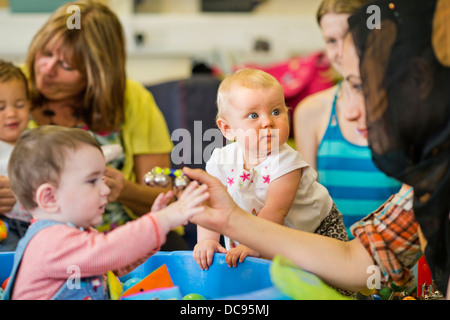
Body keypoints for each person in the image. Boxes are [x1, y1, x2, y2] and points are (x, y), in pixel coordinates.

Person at [186, 0, 450, 298]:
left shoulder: (286, 161)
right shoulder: (424, 184)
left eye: (363, 87)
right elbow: (363, 262)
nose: (349, 112)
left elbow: (282, 212)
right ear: (226, 128)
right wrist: (221, 224)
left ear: (423, 84)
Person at [21, 1, 176, 236]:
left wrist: (122, 189)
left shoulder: (133, 99)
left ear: (97, 74)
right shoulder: (10, 87)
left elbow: (164, 198)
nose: (47, 69)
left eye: (65, 65)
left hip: (121, 237)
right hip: (29, 237)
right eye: (46, 53)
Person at [2, 126, 209, 300]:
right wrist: (161, 220)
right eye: (92, 181)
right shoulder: (51, 242)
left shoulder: (79, 236)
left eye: (103, 178)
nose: (106, 190)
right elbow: (108, 251)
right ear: (49, 198)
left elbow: (112, 263)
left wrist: (157, 226)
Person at [193, 69, 348, 271]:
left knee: (327, 285)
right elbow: (211, 204)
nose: (268, 122)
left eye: (276, 111)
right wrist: (207, 240)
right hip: (265, 237)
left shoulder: (286, 162)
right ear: (228, 129)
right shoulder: (221, 161)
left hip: (318, 231)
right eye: (253, 115)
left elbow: (275, 210)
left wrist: (255, 244)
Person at [293, 0, 401, 236]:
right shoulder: (311, 112)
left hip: (402, 264)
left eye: (351, 37)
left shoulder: (410, 110)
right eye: (331, 40)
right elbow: (307, 207)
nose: (341, 52)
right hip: (332, 261)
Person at [0, 60, 32, 252]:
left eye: (19, 105)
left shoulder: (38, 144)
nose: (11, 113)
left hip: (36, 225)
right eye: (0, 108)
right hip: (4, 226)